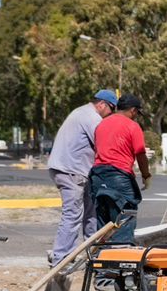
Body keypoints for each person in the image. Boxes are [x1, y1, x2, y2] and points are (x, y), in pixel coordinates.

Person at [45, 88, 116, 264]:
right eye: (111, 109)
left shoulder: (81, 112)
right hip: (71, 171)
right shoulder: (91, 118)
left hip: (72, 170)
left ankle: (92, 253)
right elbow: (103, 143)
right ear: (101, 104)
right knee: (72, 215)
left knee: (91, 213)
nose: (111, 113)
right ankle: (61, 258)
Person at [88, 94, 152, 243]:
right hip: (119, 177)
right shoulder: (132, 126)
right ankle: (120, 260)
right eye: (137, 113)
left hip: (97, 177)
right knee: (125, 219)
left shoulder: (101, 125)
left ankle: (103, 261)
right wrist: (146, 175)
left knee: (103, 222)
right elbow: (140, 154)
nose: (136, 117)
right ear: (133, 110)